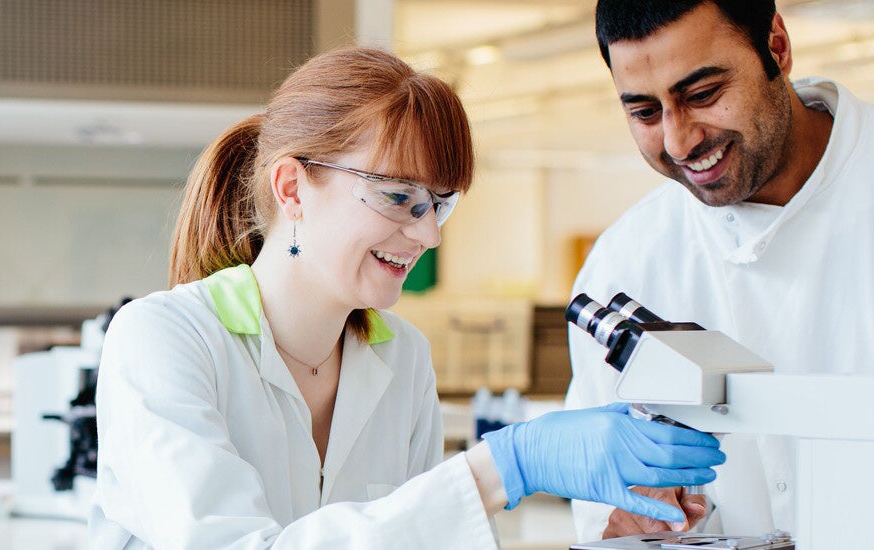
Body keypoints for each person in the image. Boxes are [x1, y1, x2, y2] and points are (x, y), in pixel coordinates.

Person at [88, 46, 725, 549]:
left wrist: (620, 544)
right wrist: (503, 467)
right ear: (291, 188)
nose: (426, 234)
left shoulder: (402, 359)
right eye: (399, 197)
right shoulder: (164, 338)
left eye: (440, 204)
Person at [567, 0, 874, 541]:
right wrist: (636, 520)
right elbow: (608, 512)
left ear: (776, 45)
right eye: (644, 112)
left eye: (704, 94)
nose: (679, 141)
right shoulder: (626, 263)